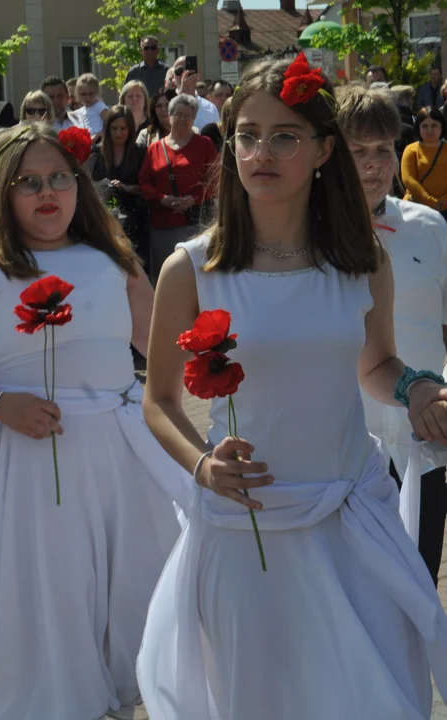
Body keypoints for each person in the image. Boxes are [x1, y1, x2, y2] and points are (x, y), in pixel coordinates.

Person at [138, 53, 447, 720]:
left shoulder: (363, 261)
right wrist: (200, 463)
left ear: (322, 149)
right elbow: (158, 400)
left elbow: (376, 365)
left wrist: (418, 387)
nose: (261, 153)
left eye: (285, 136)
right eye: (248, 136)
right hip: (247, 531)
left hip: (351, 520)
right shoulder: (191, 269)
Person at [0, 122, 184, 720]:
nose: (47, 192)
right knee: (50, 608)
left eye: (59, 177)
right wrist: (0, 405)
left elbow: (164, 350)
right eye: (29, 182)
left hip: (122, 461)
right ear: (5, 192)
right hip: (31, 466)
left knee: (131, 602)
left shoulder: (113, 258)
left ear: (79, 185)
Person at [338, 85, 447, 585]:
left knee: (420, 592)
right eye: (357, 151)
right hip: (341, 459)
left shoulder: (429, 228)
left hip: (425, 449)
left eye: (383, 150)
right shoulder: (304, 240)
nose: (373, 165)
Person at [138, 93, 218, 276]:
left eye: (187, 115)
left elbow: (214, 179)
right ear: (170, 116)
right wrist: (163, 199)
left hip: (195, 224)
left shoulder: (205, 145)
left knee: (197, 274)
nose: (182, 119)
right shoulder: (155, 148)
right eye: (178, 114)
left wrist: (192, 199)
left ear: (194, 118)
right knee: (165, 274)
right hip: (162, 225)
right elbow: (144, 183)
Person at [93, 105, 148, 270]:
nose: (118, 133)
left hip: (134, 220)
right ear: (107, 129)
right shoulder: (96, 153)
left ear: (130, 129)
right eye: (114, 128)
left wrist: (127, 188)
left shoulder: (140, 153)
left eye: (123, 128)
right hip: (103, 220)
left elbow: (147, 187)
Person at [401, 106, 447, 217]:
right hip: (417, 207)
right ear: (418, 128)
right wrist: (430, 201)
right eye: (424, 126)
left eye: (434, 125)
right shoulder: (411, 149)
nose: (429, 130)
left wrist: (444, 202)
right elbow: (408, 179)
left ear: (441, 126)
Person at [173, 56, 222, 129]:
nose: (184, 74)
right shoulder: (165, 103)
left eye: (188, 70)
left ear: (198, 74)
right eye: (179, 71)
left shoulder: (210, 108)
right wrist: (182, 94)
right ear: (173, 76)